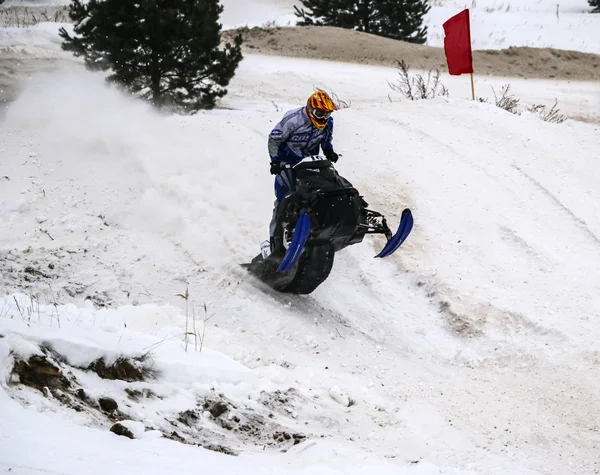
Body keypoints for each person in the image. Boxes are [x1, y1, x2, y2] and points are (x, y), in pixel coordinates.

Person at [266, 90, 340, 246]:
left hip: (311, 163)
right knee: (283, 201)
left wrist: (329, 151)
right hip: (288, 164)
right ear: (310, 109)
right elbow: (274, 139)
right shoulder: (293, 120)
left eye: (327, 114)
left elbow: (326, 140)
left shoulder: (328, 123)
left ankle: (328, 224)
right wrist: (275, 162)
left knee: (328, 188)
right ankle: (275, 242)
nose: (324, 118)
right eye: (320, 114)